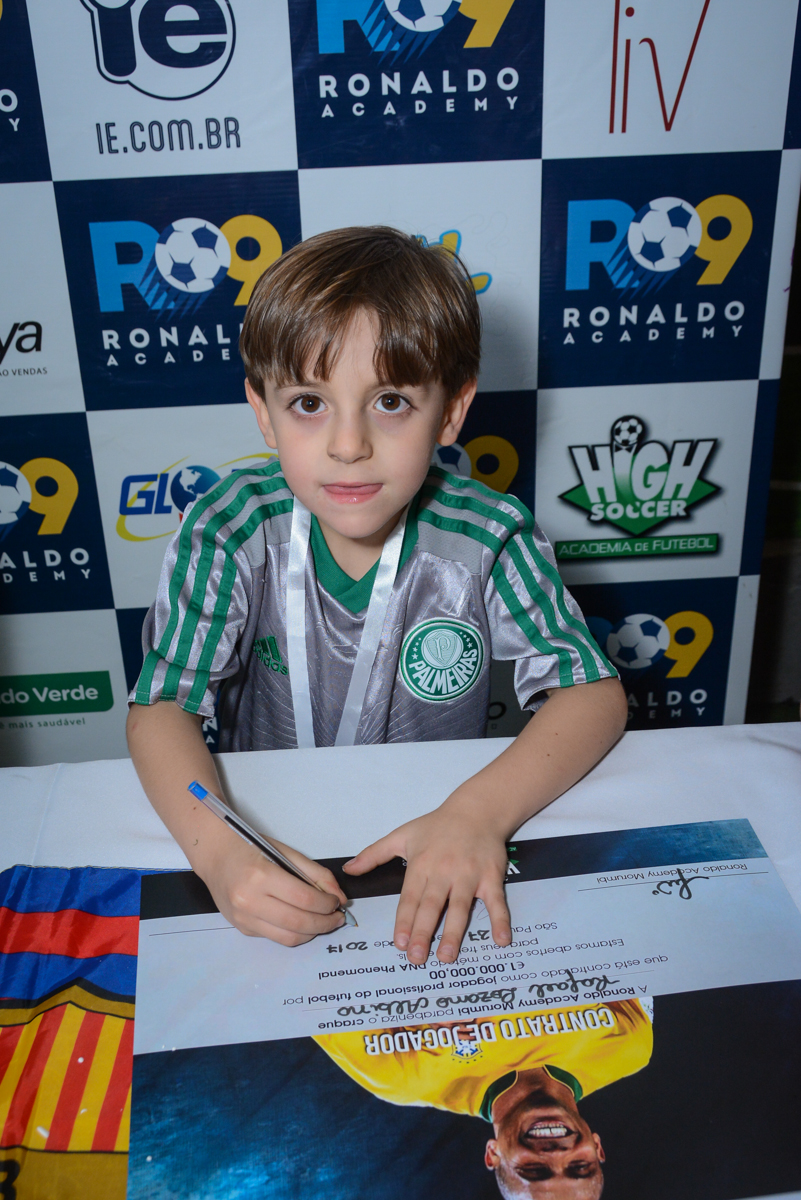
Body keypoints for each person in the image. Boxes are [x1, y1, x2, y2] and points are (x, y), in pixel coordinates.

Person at [126, 226, 627, 965]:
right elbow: (160, 710)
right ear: (262, 412)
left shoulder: (489, 533)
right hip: (266, 831)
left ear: (451, 412)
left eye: (389, 401)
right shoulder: (229, 526)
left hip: (436, 831)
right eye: (307, 403)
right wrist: (220, 855)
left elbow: (593, 698)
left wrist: (476, 815)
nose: (348, 443)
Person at [314, 998, 654, 1198]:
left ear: (493, 1155)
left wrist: (414, 995)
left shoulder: (400, 1078)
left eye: (534, 1170)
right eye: (579, 1166)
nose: (555, 1155)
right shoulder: (630, 1047)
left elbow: (308, 975)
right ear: (597, 1148)